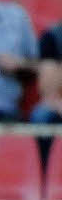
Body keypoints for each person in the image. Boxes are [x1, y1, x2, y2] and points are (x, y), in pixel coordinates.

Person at [31, 22, 62, 169]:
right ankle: (45, 178)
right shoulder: (54, 36)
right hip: (58, 107)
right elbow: (47, 90)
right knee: (41, 115)